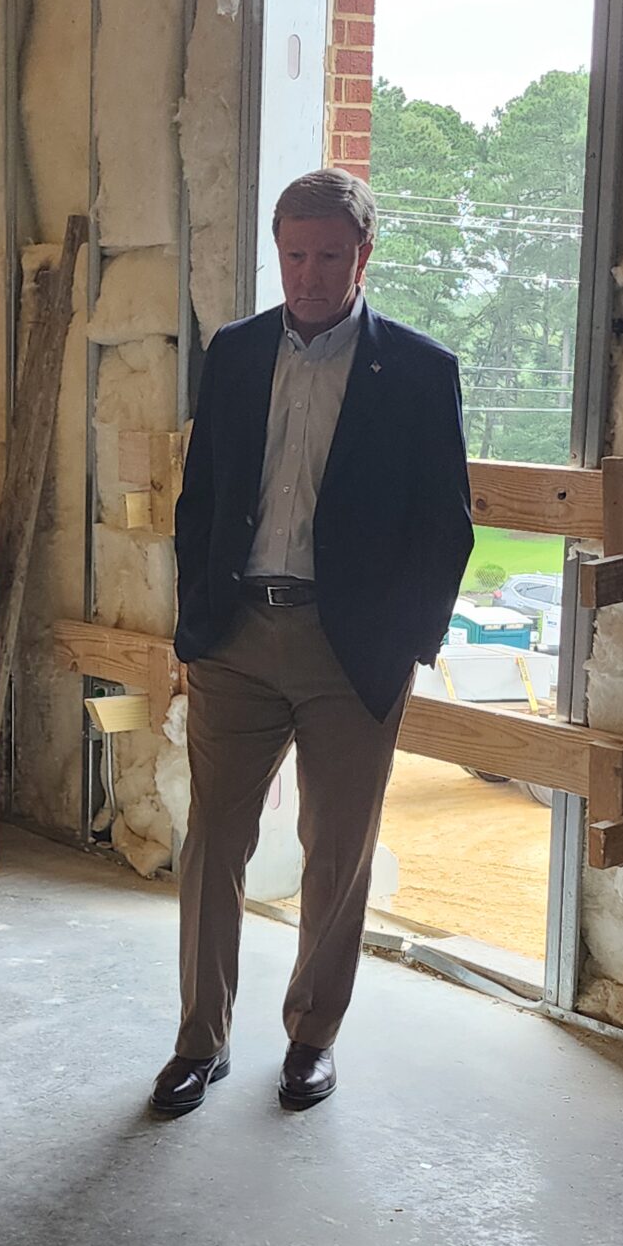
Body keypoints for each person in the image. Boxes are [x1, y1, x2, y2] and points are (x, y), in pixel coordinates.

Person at [152, 167, 473, 1118]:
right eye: (294, 255)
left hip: (350, 651)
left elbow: (446, 525)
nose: (310, 275)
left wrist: (409, 642)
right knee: (214, 840)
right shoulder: (237, 352)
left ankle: (310, 1039)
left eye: (330, 256)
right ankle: (199, 1040)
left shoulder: (418, 371)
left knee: (338, 850)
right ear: (278, 251)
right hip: (237, 639)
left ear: (364, 255)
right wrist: (194, 626)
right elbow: (202, 499)